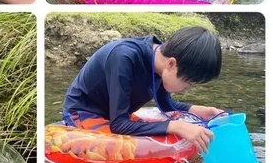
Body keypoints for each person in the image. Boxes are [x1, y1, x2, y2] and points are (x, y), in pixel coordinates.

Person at [62, 26, 223, 152]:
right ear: (171, 64)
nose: (187, 89)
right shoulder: (124, 58)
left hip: (113, 115)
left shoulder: (160, 61)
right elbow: (119, 125)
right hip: (83, 112)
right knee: (124, 151)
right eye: (188, 81)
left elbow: (164, 103)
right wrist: (176, 126)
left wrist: (198, 110)